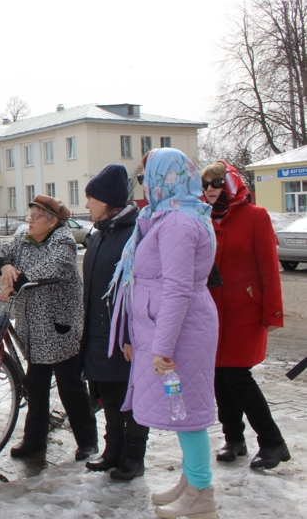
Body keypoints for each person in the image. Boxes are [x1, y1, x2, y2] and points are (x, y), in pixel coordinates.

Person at [108, 148, 218, 518]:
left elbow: (176, 289)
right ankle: (192, 480)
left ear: (164, 177)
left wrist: (162, 347)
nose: (143, 185)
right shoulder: (169, 217)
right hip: (174, 331)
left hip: (179, 335)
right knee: (182, 409)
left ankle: (202, 493)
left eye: (144, 177)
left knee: (188, 414)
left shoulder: (177, 224)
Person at [0, 195, 99, 461]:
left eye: (36, 217)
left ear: (53, 221)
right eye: (30, 215)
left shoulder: (63, 242)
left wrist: (15, 281)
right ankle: (34, 440)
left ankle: (88, 441)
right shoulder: (24, 238)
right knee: (35, 384)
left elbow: (49, 269)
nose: (29, 221)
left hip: (58, 327)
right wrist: (6, 265)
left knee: (70, 385)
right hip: (31, 326)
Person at [201, 160, 290, 470]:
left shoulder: (256, 216)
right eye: (206, 185)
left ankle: (273, 442)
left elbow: (269, 267)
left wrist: (273, 313)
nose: (210, 190)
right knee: (219, 375)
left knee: (238, 375)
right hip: (213, 311)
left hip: (245, 312)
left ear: (231, 185)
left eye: (216, 183)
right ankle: (234, 439)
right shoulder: (203, 218)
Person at [81, 164, 150, 480]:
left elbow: (139, 290)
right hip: (98, 333)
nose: (86, 205)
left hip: (123, 336)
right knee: (108, 394)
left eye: (90, 198)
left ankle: (134, 457)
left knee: (131, 398)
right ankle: (113, 450)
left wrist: (130, 336)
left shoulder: (132, 236)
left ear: (107, 201)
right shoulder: (99, 234)